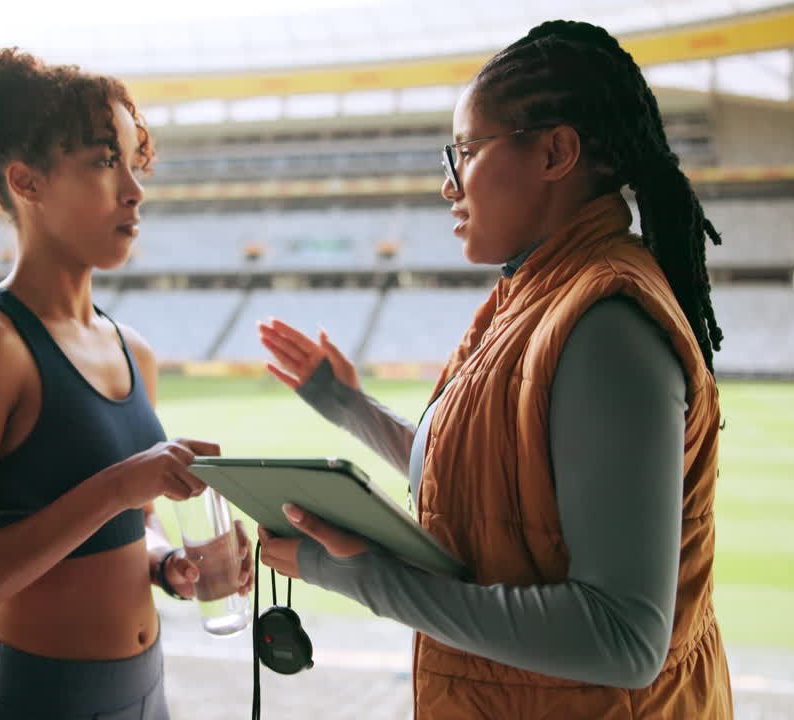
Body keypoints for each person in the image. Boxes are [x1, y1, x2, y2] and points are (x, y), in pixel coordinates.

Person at [257, 20, 733, 719]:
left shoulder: (604, 323)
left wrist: (365, 578)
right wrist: (347, 406)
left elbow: (623, 638)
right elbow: (484, 480)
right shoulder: (533, 295)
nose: (449, 185)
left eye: (465, 152)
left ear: (556, 152)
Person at [0, 48, 254, 720]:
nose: (135, 188)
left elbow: (130, 524)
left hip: (146, 696)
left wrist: (166, 564)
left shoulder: (134, 352)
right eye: (104, 161)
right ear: (27, 182)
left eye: (133, 161)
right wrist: (122, 484)